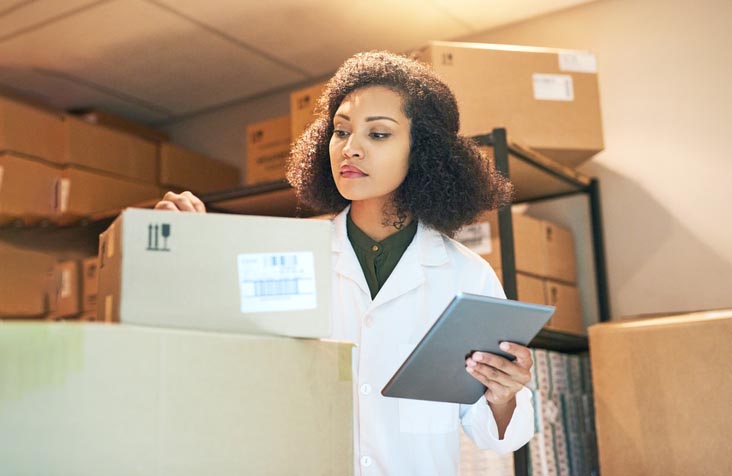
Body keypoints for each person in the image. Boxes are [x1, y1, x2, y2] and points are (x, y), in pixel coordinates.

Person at [155, 51, 534, 476]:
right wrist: (187, 251)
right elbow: (218, 366)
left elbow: (497, 436)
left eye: (378, 134)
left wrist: (504, 395)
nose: (350, 149)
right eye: (340, 131)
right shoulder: (287, 256)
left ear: (424, 151)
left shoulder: (466, 276)